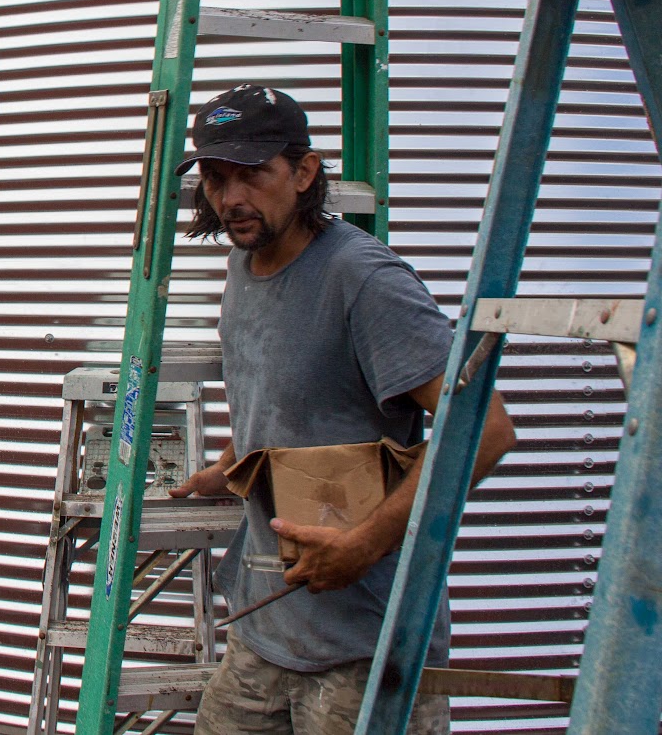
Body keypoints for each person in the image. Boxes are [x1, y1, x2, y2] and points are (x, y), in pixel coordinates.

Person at [166, 84, 516, 734]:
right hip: (266, 629)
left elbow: (487, 431)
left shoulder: (364, 280)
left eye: (251, 174)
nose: (231, 198)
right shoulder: (246, 267)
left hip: (365, 649)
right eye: (216, 178)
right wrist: (227, 465)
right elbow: (282, 396)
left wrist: (362, 545)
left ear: (304, 172)